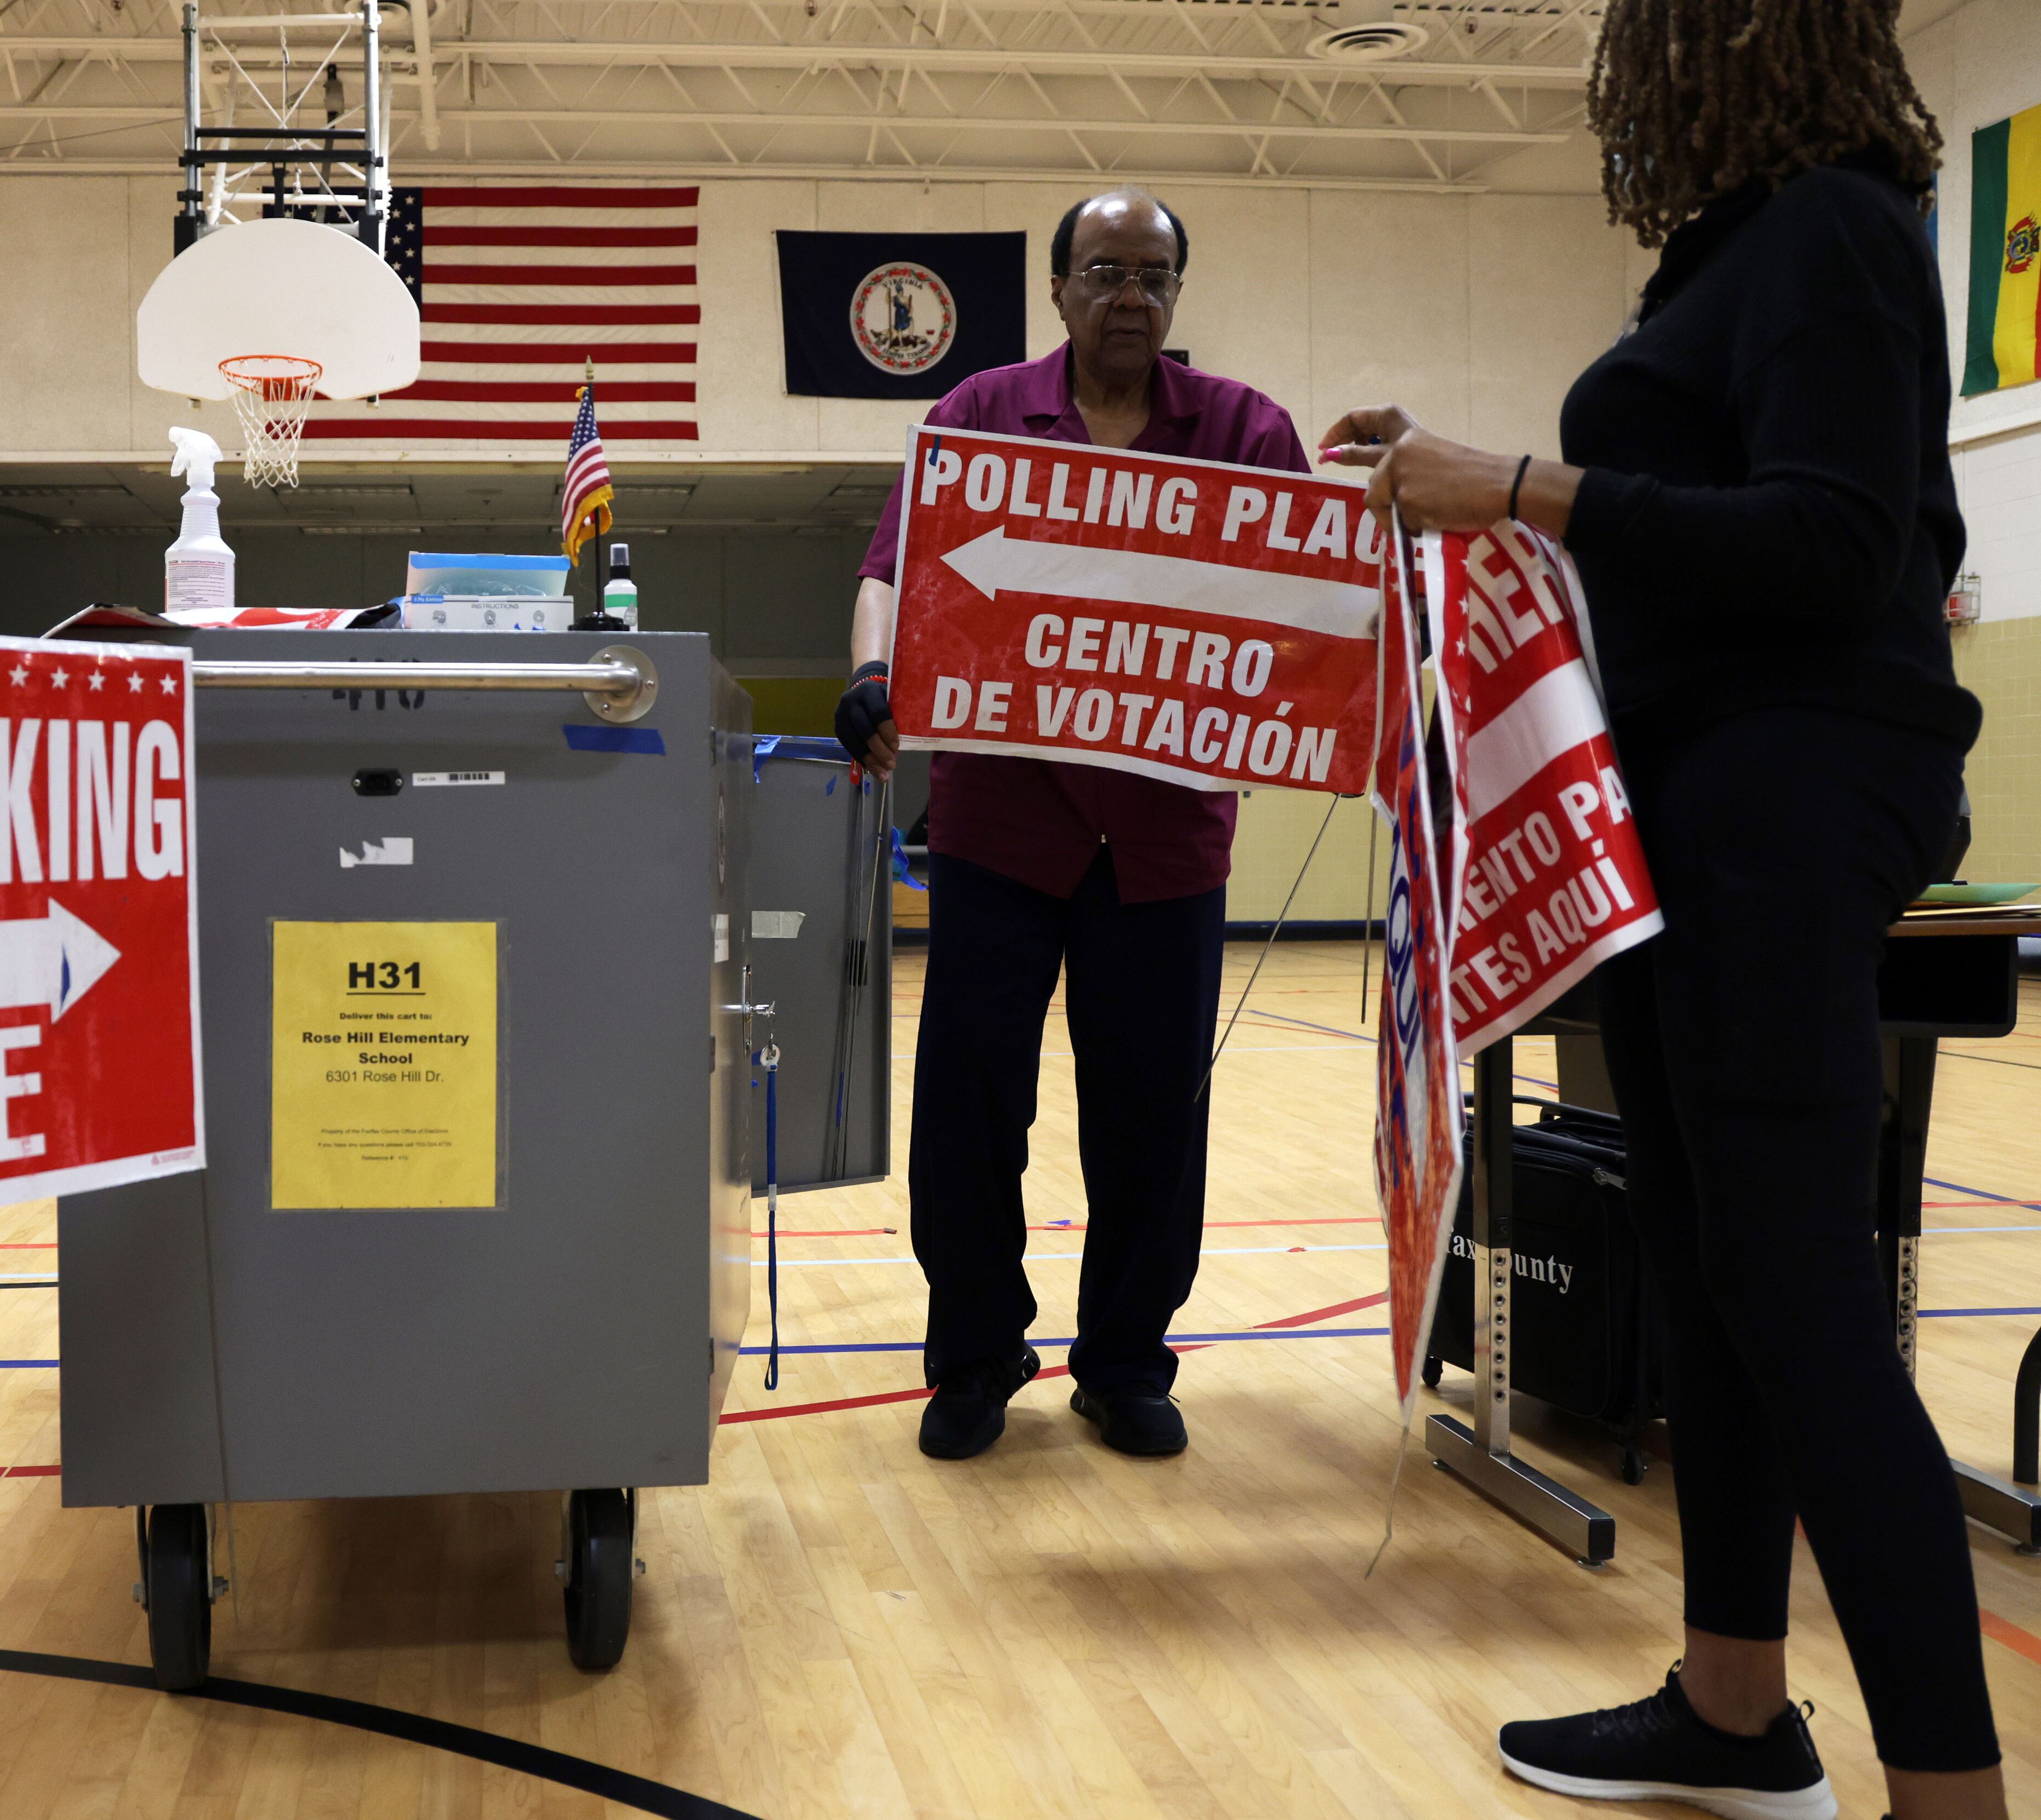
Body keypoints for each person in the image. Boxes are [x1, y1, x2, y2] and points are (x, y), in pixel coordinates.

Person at [1320, 1, 2000, 1815]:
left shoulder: (1843, 224)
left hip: (1792, 792)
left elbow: (1837, 542)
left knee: (1796, 1288)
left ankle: (1951, 1785)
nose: (1630, 82)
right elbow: (1690, 521)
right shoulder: (1737, 253)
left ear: (1734, 46)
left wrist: (1523, 481)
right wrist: (1479, 479)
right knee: (1709, 1265)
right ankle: (1731, 1703)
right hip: (1692, 796)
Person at [836, 189, 1307, 1463]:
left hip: (1164, 841)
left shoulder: (1249, 432)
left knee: (1152, 1114)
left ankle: (1121, 1363)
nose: (1129, 297)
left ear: (1175, 294)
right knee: (971, 1111)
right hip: (1002, 825)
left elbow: (1305, 611)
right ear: (1057, 290)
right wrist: (875, 675)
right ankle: (975, 1354)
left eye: (1153, 276)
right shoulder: (979, 414)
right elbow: (894, 564)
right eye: (1103, 271)